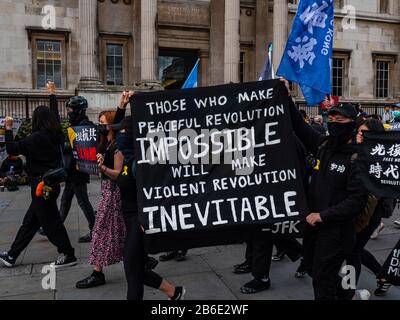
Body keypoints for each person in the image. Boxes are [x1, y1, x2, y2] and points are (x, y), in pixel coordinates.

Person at [281, 78, 369, 300]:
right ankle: (348, 295)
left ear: (352, 123)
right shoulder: (322, 144)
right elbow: (298, 126)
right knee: (312, 268)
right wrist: (287, 95)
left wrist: (323, 215)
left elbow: (356, 202)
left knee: (322, 280)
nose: (335, 121)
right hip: (313, 226)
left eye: (341, 118)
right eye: (332, 117)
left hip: (336, 231)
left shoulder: (357, 158)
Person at [112, 115, 185, 300]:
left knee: (132, 269)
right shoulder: (128, 158)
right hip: (129, 220)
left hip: (140, 220)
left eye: (123, 132)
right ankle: (174, 292)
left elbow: (154, 190)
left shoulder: (143, 162)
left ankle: (174, 292)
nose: (119, 136)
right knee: (135, 270)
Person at [0, 99, 76, 269]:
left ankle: (68, 254)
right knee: (30, 222)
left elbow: (12, 149)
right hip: (51, 184)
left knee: (51, 224)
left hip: (42, 186)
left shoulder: (35, 138)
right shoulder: (56, 136)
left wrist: (9, 128)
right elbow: (56, 117)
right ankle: (12, 254)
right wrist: (52, 96)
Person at [38, 84, 96, 243]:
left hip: (79, 172)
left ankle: (95, 229)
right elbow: (56, 121)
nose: (68, 113)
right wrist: (52, 96)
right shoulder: (75, 126)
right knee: (65, 201)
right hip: (71, 172)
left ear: (78, 111)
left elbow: (83, 148)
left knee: (83, 202)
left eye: (70, 110)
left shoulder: (85, 127)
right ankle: (54, 227)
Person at [344, 118, 394, 299]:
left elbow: (372, 198)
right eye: (359, 131)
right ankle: (383, 275)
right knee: (354, 249)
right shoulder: (358, 149)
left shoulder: (376, 156)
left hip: (370, 212)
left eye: (364, 132)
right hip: (357, 209)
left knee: (352, 251)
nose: (359, 134)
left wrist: (359, 223)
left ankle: (347, 291)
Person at [76, 111, 125, 289]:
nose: (100, 127)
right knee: (120, 230)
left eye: (103, 123)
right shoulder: (105, 144)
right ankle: (142, 259)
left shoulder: (117, 146)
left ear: (111, 124)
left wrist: (102, 167)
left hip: (113, 192)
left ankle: (97, 273)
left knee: (99, 231)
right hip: (107, 190)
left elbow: (118, 174)